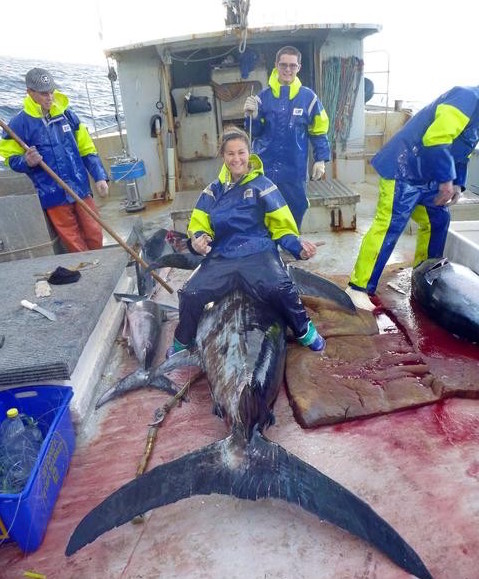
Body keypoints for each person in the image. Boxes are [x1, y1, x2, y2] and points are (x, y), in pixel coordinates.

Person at [168, 126, 325, 356]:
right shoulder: (211, 191)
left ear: (249, 153)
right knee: (190, 293)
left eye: (241, 152)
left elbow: (280, 226)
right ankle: (183, 340)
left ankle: (304, 330)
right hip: (222, 256)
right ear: (223, 156)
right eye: (230, 153)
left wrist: (297, 247)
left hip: (259, 253)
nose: (236, 158)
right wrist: (198, 241)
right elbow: (198, 226)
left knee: (281, 288)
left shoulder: (263, 185)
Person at [345, 85, 479, 311]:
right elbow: (435, 139)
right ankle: (358, 288)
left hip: (428, 176)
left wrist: (457, 182)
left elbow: (463, 151)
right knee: (389, 225)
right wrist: (446, 179)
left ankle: (424, 276)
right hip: (403, 168)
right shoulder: (466, 97)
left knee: (437, 220)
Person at [0, 68, 109, 252]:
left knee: (94, 230)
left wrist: (99, 176)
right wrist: (26, 161)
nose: (49, 97)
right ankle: (88, 269)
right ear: (30, 92)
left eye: (51, 91)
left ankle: (101, 262)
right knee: (72, 238)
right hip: (51, 192)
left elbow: (86, 148)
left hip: (79, 185)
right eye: (44, 94)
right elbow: (10, 159)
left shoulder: (67, 114)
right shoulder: (18, 124)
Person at [243, 45, 331, 229]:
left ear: (299, 67)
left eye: (292, 65)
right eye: (283, 65)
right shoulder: (262, 97)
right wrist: (252, 116)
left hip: (295, 170)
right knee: (263, 209)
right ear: (276, 65)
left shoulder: (309, 98)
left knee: (296, 208)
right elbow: (254, 132)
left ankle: (291, 245)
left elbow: (319, 130)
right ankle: (268, 249)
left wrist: (321, 159)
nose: (287, 70)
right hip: (264, 167)